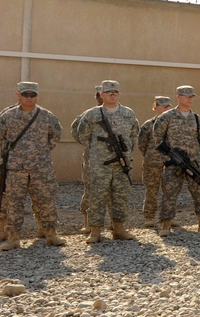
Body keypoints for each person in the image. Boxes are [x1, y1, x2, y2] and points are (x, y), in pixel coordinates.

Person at [0, 82, 65, 250]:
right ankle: (13, 237)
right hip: (15, 168)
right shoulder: (7, 116)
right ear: (18, 95)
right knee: (14, 203)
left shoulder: (47, 116)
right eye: (25, 94)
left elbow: (56, 135)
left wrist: (40, 151)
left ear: (37, 96)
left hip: (41, 167)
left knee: (46, 200)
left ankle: (50, 233)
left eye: (32, 95)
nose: (29, 98)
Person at [71, 80, 140, 243]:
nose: (112, 95)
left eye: (115, 92)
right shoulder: (93, 114)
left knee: (120, 196)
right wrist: (96, 150)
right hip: (100, 164)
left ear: (119, 94)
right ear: (101, 95)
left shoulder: (128, 113)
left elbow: (134, 134)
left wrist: (127, 151)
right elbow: (82, 134)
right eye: (108, 92)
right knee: (97, 196)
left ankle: (119, 229)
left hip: (122, 163)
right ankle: (95, 231)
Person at [152, 85, 200, 236]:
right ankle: (165, 225)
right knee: (169, 193)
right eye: (186, 96)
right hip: (173, 163)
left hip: (193, 163)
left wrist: (196, 156)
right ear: (178, 97)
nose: (189, 99)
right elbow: (157, 139)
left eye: (192, 96)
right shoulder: (166, 117)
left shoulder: (197, 119)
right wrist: (169, 157)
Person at [72, 84, 103, 233]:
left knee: (113, 191)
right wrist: (89, 144)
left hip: (114, 159)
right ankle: (88, 222)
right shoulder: (89, 114)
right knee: (90, 190)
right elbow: (76, 129)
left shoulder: (121, 113)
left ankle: (114, 223)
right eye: (99, 94)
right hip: (93, 158)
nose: (101, 97)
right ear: (97, 96)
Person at [138, 95, 171, 227]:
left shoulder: (173, 124)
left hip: (169, 163)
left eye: (168, 106)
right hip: (152, 162)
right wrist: (150, 155)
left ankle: (168, 217)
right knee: (151, 190)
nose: (166, 108)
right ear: (156, 107)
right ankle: (149, 217)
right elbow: (142, 143)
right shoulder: (148, 125)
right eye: (163, 106)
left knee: (169, 191)